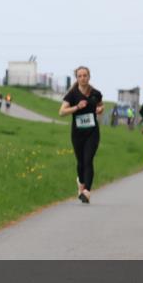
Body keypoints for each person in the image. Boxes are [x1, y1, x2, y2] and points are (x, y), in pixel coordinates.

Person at [59, 66, 104, 204]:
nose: (83, 78)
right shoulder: (72, 94)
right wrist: (77, 107)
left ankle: (87, 192)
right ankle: (81, 182)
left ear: (89, 77)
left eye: (85, 75)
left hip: (92, 132)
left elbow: (101, 106)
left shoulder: (96, 93)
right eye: (80, 76)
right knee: (80, 162)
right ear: (77, 78)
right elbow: (61, 112)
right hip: (78, 133)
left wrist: (100, 109)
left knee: (88, 159)